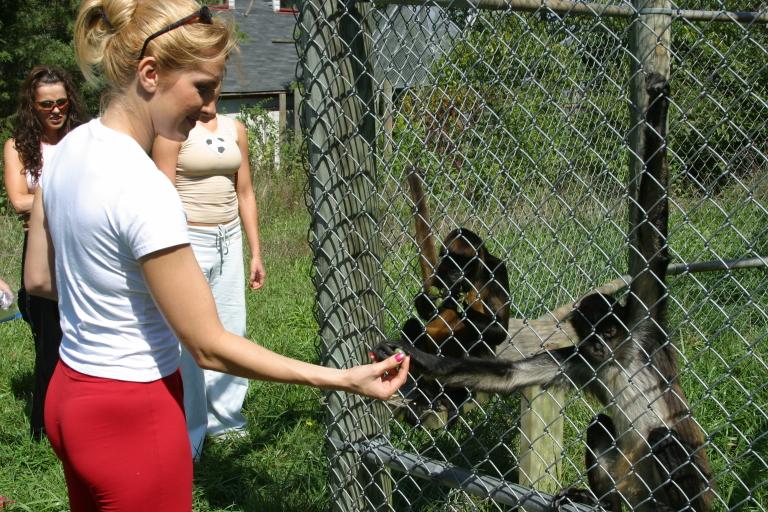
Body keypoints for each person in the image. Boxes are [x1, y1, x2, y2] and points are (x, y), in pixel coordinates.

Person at [23, 1, 409, 510]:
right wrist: (340, 378)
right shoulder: (144, 186)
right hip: (132, 415)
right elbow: (208, 347)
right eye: (202, 87)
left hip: (69, 397)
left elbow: (37, 278)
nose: (209, 107)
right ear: (150, 74)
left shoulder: (68, 150)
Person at [153, 92, 264, 458]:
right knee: (188, 339)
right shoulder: (171, 131)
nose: (209, 93)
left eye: (214, 84)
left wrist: (255, 252)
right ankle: (191, 433)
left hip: (229, 238)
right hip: (189, 239)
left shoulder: (236, 129)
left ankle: (228, 420)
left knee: (232, 328)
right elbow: (161, 195)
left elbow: (245, 192)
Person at [2, 66, 87, 440]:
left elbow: (31, 200)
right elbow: (17, 200)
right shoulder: (18, 146)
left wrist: (40, 198)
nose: (56, 110)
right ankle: (44, 428)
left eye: (62, 103)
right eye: (46, 104)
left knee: (83, 335)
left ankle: (81, 418)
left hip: (82, 247)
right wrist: (69, 191)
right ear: (32, 107)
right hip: (41, 252)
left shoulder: (83, 141)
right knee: (49, 342)